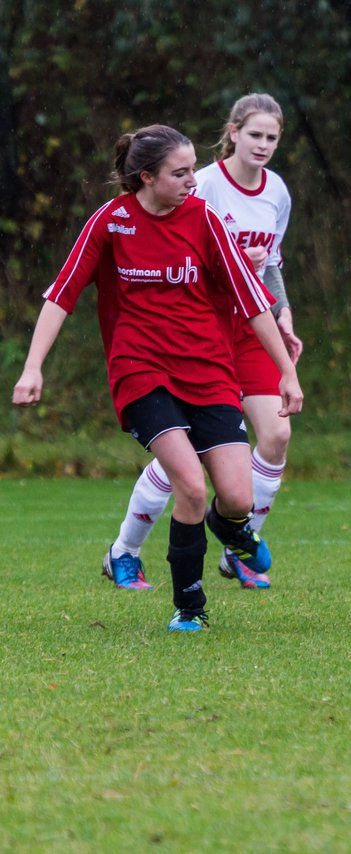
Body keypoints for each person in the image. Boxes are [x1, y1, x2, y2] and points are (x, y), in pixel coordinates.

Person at [11, 124, 303, 631]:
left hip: (209, 370)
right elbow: (62, 293)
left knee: (236, 497)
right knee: (189, 484)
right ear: (146, 177)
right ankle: (190, 608)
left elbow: (252, 299)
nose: (194, 179)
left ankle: (226, 526)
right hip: (142, 371)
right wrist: (33, 366)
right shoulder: (111, 222)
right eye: (181, 172)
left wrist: (285, 372)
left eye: (193, 168)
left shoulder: (204, 220)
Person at [103, 93, 299, 591]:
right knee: (185, 461)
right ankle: (125, 549)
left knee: (275, 435)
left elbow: (269, 266)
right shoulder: (201, 187)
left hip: (252, 324)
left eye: (272, 137)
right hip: (201, 331)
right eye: (254, 134)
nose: (263, 144)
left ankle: (239, 543)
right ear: (232, 132)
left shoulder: (277, 192)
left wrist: (285, 317)